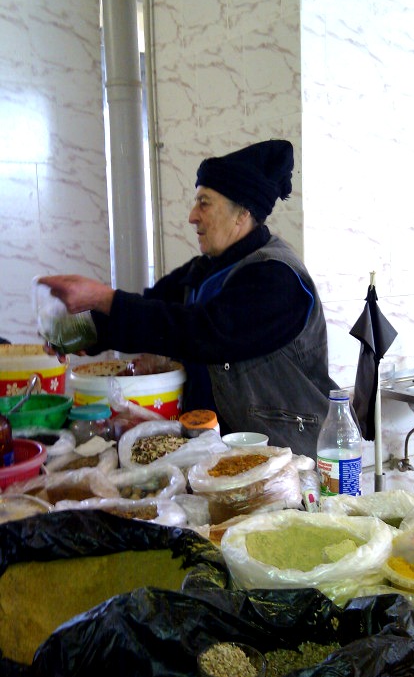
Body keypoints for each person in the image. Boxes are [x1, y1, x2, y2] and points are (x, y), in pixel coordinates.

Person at [39, 139, 337, 459]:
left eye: (204, 203)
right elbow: (156, 312)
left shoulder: (278, 278)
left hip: (291, 457)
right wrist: (88, 331)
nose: (192, 216)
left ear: (242, 213)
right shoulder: (205, 270)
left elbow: (204, 332)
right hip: (220, 454)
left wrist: (103, 298)